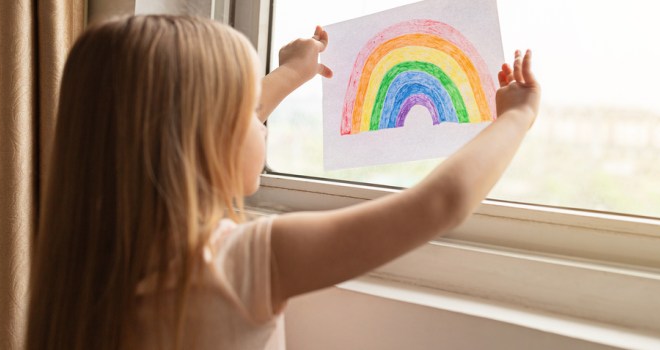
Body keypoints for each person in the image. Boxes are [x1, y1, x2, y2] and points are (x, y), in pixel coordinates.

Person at [27, 15, 539, 350]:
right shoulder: (243, 263)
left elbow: (199, 127)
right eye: (251, 113)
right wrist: (515, 120)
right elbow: (438, 206)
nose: (261, 121)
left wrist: (289, 75)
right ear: (205, 142)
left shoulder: (85, 269)